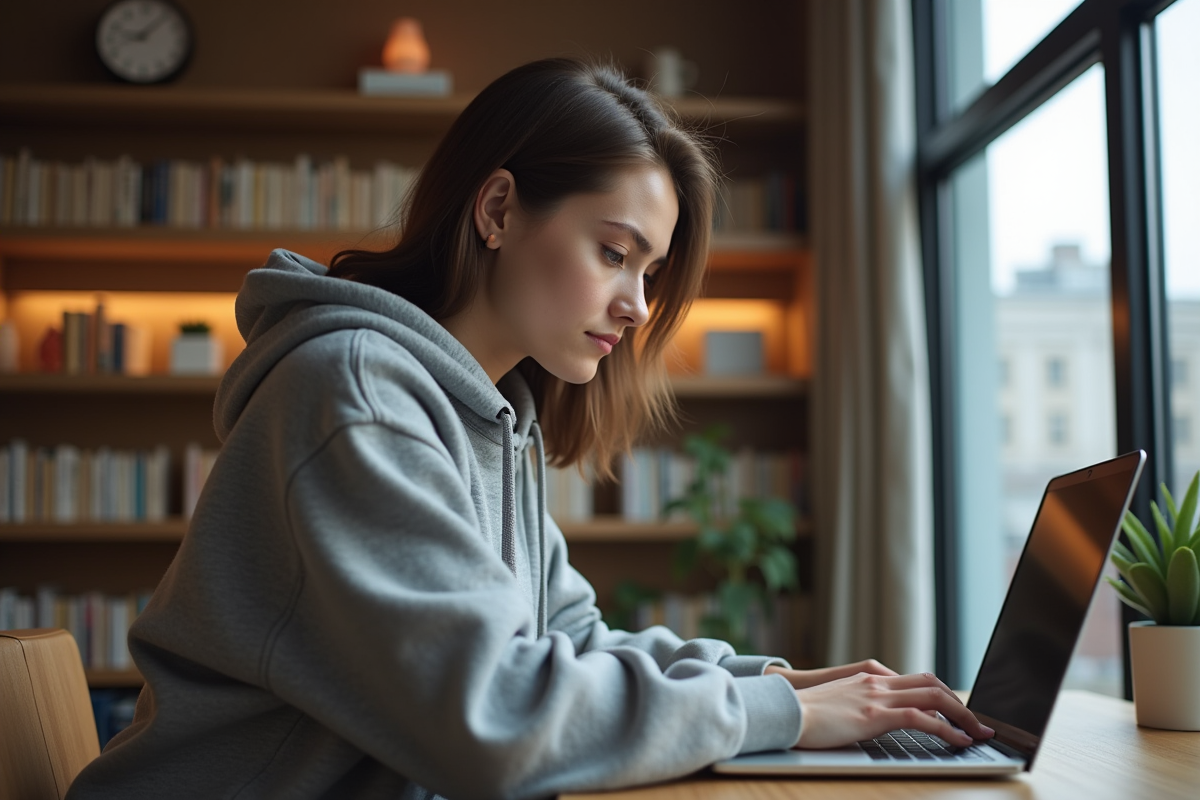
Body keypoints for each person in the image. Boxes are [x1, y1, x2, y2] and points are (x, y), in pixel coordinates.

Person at [66, 57, 991, 800]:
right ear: (499, 209)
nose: (636, 305)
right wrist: (777, 718)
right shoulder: (355, 392)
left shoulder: (489, 411)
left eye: (651, 272)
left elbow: (568, 639)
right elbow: (494, 721)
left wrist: (789, 687)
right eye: (614, 253)